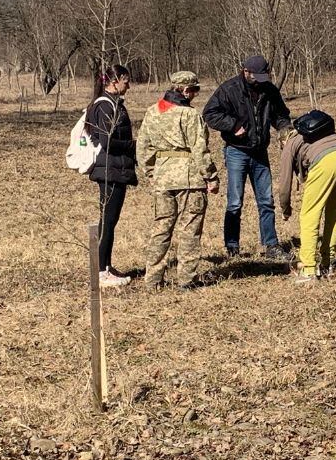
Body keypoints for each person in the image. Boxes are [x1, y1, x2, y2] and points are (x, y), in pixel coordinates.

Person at [202, 55, 293, 260]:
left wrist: (284, 131)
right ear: (246, 72)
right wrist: (232, 125)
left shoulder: (269, 90)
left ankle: (271, 245)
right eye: (257, 76)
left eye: (263, 75)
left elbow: (281, 115)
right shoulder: (229, 89)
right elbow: (209, 113)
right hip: (236, 152)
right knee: (235, 202)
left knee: (266, 201)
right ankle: (232, 246)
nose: (260, 80)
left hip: (260, 152)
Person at [136, 71, 220, 290]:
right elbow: (200, 149)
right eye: (193, 90)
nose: (195, 94)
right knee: (189, 229)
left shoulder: (152, 112)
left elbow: (143, 148)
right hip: (190, 179)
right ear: (183, 90)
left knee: (161, 229)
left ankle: (153, 280)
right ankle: (186, 279)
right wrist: (211, 176)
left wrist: (152, 173)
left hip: (163, 179)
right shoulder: (190, 115)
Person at [277, 110, 336, 283]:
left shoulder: (290, 142)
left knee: (309, 215)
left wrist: (285, 208)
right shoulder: (317, 130)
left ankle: (308, 269)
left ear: (282, 140)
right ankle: (327, 263)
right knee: (335, 213)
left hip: (325, 161)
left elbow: (284, 183)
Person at [87, 64, 138, 287]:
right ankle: (100, 271)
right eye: (125, 80)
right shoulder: (106, 107)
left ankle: (106, 266)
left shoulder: (113, 104)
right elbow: (107, 141)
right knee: (107, 220)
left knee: (111, 220)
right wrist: (133, 145)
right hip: (110, 169)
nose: (128, 84)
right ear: (113, 81)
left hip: (116, 168)